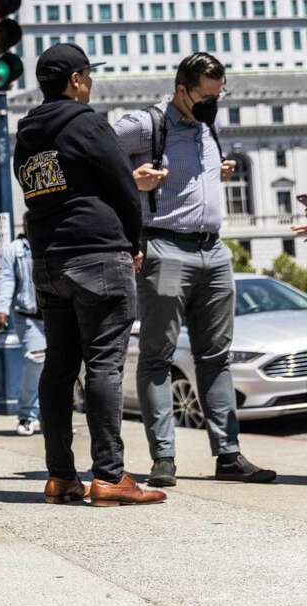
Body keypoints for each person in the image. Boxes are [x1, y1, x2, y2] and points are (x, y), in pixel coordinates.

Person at [113, 52, 276, 486]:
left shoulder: (209, 128)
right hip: (167, 252)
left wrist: (215, 172)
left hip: (215, 255)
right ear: (181, 90)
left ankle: (228, 455)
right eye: (205, 97)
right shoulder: (148, 125)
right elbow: (93, 157)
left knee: (216, 356)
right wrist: (132, 178)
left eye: (218, 96)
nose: (212, 104)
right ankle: (164, 457)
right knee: (158, 355)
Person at [14, 44, 166, 508]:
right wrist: (135, 242)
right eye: (87, 76)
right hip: (99, 254)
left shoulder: (27, 132)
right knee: (103, 363)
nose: (90, 83)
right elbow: (121, 184)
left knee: (59, 366)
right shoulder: (88, 122)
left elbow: (39, 188)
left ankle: (60, 476)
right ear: (77, 80)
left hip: (50, 260)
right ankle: (109, 476)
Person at [0, 234, 45, 436]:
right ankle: (27, 415)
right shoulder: (14, 249)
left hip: (57, 312)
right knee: (35, 360)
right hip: (28, 315)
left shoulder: (52, 238)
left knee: (59, 366)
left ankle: (54, 415)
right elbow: (6, 279)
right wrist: (1, 309)